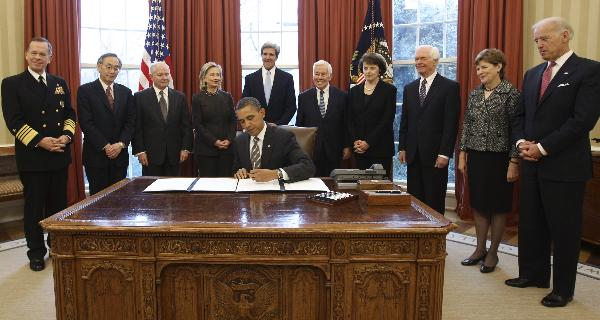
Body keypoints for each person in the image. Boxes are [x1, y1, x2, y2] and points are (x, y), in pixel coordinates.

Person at [505, 17, 600, 307]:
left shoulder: (589, 71)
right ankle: (532, 275)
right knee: (531, 224)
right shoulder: (533, 74)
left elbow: (583, 120)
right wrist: (522, 143)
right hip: (531, 163)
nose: (539, 45)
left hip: (564, 166)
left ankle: (563, 289)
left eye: (544, 39)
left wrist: (543, 147)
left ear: (565, 36)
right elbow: (520, 115)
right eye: (536, 40)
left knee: (564, 230)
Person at [1, 37, 75, 271]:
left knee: (58, 205)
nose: (37, 57)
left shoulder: (59, 82)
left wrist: (66, 136)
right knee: (34, 207)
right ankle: (35, 252)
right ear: (26, 55)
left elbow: (70, 115)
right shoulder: (12, 83)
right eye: (34, 53)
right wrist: (41, 141)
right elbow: (13, 121)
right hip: (33, 156)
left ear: (50, 58)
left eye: (42, 54)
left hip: (59, 154)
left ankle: (56, 246)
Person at [457, 49, 520, 273]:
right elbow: (467, 125)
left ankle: (493, 253)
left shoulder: (511, 94)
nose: (479, 71)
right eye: (477, 68)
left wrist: (514, 161)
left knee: (499, 207)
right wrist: (463, 153)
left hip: (500, 158)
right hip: (478, 157)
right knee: (479, 203)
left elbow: (517, 130)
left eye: (484, 67)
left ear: (498, 67)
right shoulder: (475, 94)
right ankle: (480, 248)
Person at [397, 45, 460, 215]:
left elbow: (451, 124)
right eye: (416, 59)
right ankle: (416, 235)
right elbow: (405, 120)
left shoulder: (450, 87)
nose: (418, 62)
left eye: (423, 58)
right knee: (415, 202)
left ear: (435, 61)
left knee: (434, 201)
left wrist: (445, 153)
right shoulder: (409, 88)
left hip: (435, 155)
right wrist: (402, 147)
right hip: (413, 154)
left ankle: (435, 238)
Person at [77, 53, 135, 195]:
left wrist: (121, 144)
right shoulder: (85, 91)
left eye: (116, 68)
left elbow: (131, 122)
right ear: (99, 67)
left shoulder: (126, 92)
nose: (112, 71)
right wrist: (106, 146)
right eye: (108, 67)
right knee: (98, 200)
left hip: (119, 156)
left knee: (119, 199)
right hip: (96, 156)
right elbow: (86, 123)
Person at [233, 97, 315, 182]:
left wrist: (276, 174)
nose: (247, 125)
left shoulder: (283, 137)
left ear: (262, 113)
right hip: (248, 191)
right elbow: (236, 169)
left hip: (277, 192)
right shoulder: (240, 141)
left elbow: (308, 166)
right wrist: (239, 172)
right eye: (242, 121)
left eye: (250, 118)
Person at [132, 61, 192, 176]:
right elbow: (137, 127)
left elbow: (186, 126)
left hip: (174, 155)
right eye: (160, 75)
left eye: (167, 74)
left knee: (173, 191)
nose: (164, 77)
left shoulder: (180, 97)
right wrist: (140, 151)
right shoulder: (140, 97)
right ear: (151, 76)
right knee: (152, 191)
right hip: (150, 156)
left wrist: (185, 148)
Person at [346, 52, 397, 178]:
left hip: (381, 148)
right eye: (365, 68)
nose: (368, 71)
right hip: (359, 149)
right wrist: (355, 141)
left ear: (380, 69)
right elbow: (349, 119)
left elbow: (387, 119)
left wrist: (368, 142)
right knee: (362, 189)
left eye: (372, 68)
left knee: (379, 190)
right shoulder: (354, 91)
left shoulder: (389, 90)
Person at [296, 60, 350, 176]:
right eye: (316, 73)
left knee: (333, 186)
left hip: (335, 149)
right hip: (311, 150)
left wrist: (347, 146)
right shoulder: (303, 97)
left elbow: (346, 123)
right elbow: (299, 125)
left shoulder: (342, 96)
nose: (319, 77)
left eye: (323, 74)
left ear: (330, 76)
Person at [191, 62, 236, 177]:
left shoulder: (227, 97)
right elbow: (198, 125)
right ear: (204, 78)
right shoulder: (197, 98)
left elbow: (233, 121)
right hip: (206, 150)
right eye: (212, 75)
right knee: (208, 186)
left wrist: (229, 140)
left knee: (226, 183)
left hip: (227, 149)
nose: (216, 78)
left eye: (218, 74)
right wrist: (214, 142)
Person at [242, 42, 296, 125]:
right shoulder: (250, 79)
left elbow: (291, 107)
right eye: (265, 54)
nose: (267, 57)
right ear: (261, 56)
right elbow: (246, 105)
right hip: (256, 127)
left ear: (276, 57)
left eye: (271, 54)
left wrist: (278, 124)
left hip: (279, 130)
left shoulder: (287, 78)